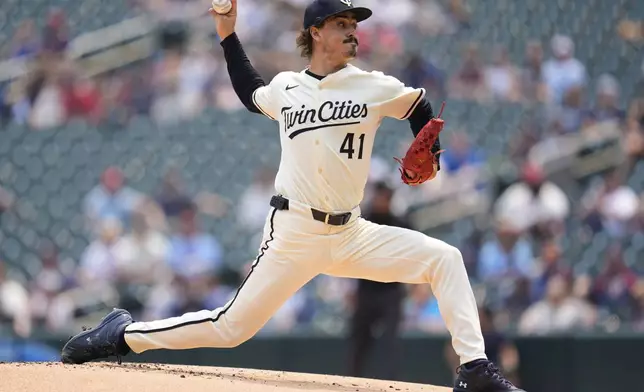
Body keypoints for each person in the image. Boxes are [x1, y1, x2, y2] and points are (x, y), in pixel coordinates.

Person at [60, 1, 524, 391]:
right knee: (230, 328)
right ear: (316, 33)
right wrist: (227, 35)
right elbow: (250, 91)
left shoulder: (373, 85)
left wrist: (431, 146)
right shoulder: (287, 87)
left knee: (445, 258)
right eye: (342, 24)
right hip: (294, 232)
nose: (353, 33)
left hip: (351, 232)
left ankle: (474, 369)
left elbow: (419, 106)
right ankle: (124, 334)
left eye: (354, 25)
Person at [347, 182, 406, 380]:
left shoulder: (400, 223)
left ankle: (390, 383)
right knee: (359, 339)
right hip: (366, 288)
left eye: (386, 198)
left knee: (390, 340)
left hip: (391, 290)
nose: (382, 202)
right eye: (380, 197)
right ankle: (352, 380)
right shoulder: (363, 221)